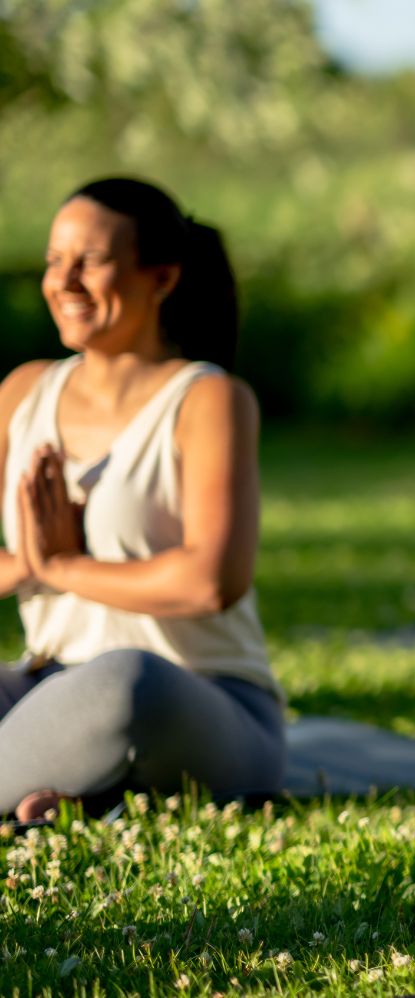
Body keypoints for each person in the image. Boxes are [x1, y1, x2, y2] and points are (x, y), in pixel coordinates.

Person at [0, 177, 284, 820]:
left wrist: (67, 568)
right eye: (54, 260)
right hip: (46, 682)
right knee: (74, 691)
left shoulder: (207, 399)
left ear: (161, 278)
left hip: (197, 700)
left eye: (91, 262)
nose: (64, 281)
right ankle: (61, 790)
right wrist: (33, 561)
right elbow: (22, 562)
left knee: (126, 682)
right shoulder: (23, 394)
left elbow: (211, 581)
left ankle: (57, 784)